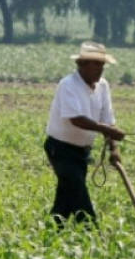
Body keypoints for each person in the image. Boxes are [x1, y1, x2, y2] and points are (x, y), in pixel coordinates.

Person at [44, 41, 126, 226]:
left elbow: (108, 119)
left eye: (101, 65)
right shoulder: (68, 85)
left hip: (81, 152)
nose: (100, 69)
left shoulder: (103, 86)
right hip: (61, 150)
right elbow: (76, 119)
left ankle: (51, 232)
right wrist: (108, 130)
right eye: (95, 64)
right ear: (81, 65)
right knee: (80, 197)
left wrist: (113, 148)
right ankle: (91, 233)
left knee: (65, 200)